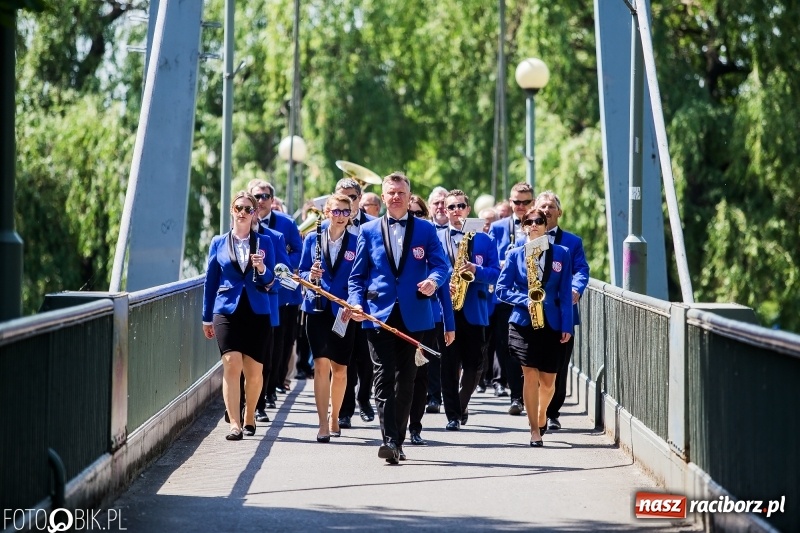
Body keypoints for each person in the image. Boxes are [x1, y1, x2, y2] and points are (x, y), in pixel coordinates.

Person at [344, 172, 450, 464]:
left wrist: (433, 281)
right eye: (390, 193)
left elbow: (441, 267)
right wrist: (355, 303)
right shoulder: (367, 232)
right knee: (383, 377)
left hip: (416, 315)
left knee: (408, 380)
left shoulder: (426, 230)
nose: (395, 197)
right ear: (384, 195)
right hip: (378, 316)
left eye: (400, 192)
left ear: (408, 194)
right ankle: (388, 439)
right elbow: (357, 278)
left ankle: (399, 439)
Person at [496, 207, 573, 447]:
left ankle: (542, 415)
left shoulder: (562, 253)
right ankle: (533, 430)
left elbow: (564, 292)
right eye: (528, 222)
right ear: (523, 227)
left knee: (549, 382)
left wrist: (567, 325)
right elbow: (501, 289)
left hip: (551, 322)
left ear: (545, 224)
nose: (534, 225)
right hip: (522, 323)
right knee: (529, 374)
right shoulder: (515, 254)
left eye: (539, 221)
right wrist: (525, 300)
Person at [202, 191, 276, 441]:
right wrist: (206, 317)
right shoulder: (218, 242)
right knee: (231, 363)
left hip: (257, 310)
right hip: (226, 310)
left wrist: (262, 267)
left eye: (248, 209)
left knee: (254, 372)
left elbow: (270, 282)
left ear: (255, 213)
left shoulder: (265, 242)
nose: (242, 213)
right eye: (238, 208)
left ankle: (250, 415)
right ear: (231, 211)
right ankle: (234, 423)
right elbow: (210, 282)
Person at [299, 194, 359, 442]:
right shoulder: (312, 239)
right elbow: (300, 272)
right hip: (317, 308)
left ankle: (336, 415)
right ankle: (323, 423)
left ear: (350, 215)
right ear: (327, 213)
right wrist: (310, 276)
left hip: (343, 311)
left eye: (345, 212)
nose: (341, 216)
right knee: (321, 365)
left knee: (341, 370)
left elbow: (360, 278)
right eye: (336, 211)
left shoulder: (357, 242)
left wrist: (355, 304)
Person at [438, 190, 500, 430]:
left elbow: (496, 273)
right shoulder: (437, 237)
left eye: (460, 206)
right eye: (451, 207)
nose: (456, 210)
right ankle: (453, 415)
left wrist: (476, 270)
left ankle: (462, 404)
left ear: (468, 208)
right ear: (445, 209)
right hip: (447, 310)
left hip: (474, 309)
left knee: (475, 366)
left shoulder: (485, 239)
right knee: (449, 365)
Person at [535, 191, 590, 431]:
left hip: (562, 313)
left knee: (559, 365)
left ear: (559, 212)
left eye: (550, 206)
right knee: (534, 364)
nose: (546, 210)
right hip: (534, 313)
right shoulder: (527, 238)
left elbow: (581, 270)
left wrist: (576, 289)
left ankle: (552, 412)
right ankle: (536, 410)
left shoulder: (572, 242)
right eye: (542, 207)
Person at [249, 180, 304, 403]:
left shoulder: (286, 224)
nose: (261, 201)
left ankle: (272, 388)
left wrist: (279, 269)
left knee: (280, 342)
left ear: (272, 201)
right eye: (257, 196)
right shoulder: (240, 223)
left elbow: (297, 251)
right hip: (252, 294)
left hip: (282, 294)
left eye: (265, 196)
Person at [407, 194, 455, 445]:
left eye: (418, 213)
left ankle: (415, 426)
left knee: (420, 374)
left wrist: (450, 324)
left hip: (429, 318)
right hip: (397, 316)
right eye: (409, 213)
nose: (413, 217)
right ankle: (395, 426)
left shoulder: (430, 242)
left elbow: (444, 288)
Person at [330, 178, 377, 429]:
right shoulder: (327, 226)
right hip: (340, 303)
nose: (348, 201)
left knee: (366, 355)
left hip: (366, 301)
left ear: (360, 199)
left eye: (353, 197)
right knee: (343, 358)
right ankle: (345, 410)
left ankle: (364, 398)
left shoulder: (373, 225)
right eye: (342, 196)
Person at [489, 182, 535, 416]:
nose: (520, 206)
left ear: (532, 202)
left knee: (531, 348)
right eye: (516, 201)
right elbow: (489, 259)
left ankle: (530, 394)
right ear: (510, 202)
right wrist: (504, 263)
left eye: (525, 202)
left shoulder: (539, 225)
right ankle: (516, 396)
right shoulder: (498, 228)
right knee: (507, 348)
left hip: (532, 297)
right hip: (505, 297)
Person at [478, 207, 500, 394]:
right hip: (478, 301)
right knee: (482, 344)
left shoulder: (491, 241)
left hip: (494, 301)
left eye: (492, 221)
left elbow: (495, 272)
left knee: (494, 342)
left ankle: (496, 379)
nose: (488, 225)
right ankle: (481, 379)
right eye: (485, 221)